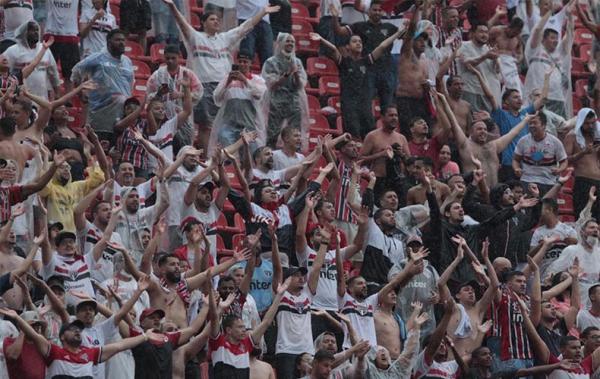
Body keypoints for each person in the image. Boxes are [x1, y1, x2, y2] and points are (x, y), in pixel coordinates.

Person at [165, 0, 280, 154]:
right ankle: (206, 159)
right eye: (212, 19)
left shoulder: (225, 38)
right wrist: (172, 6)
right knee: (206, 125)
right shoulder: (195, 38)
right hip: (203, 86)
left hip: (224, 87)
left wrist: (262, 12)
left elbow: (245, 27)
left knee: (223, 127)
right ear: (203, 22)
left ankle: (223, 160)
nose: (217, 21)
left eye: (218, 19)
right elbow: (182, 23)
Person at [0, 307, 164, 378]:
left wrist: (145, 337)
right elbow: (35, 336)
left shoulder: (90, 354)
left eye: (79, 329)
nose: (78, 331)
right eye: (72, 329)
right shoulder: (54, 352)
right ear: (62, 337)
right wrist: (17, 319)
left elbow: (120, 345)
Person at [311, 26, 402, 138]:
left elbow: (382, 46)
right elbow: (334, 49)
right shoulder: (344, 63)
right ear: (348, 47)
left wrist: (399, 33)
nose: (358, 43)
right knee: (353, 138)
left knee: (369, 136)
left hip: (365, 107)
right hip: (350, 107)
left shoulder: (366, 61)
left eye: (360, 42)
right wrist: (321, 39)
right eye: (354, 41)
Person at [330, 0, 398, 111]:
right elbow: (339, 31)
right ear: (368, 12)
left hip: (386, 71)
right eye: (374, 10)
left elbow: (408, 37)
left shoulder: (390, 27)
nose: (377, 12)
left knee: (388, 106)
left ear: (383, 12)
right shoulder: (360, 26)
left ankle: (387, 128)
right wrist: (334, 17)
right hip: (368, 70)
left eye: (379, 10)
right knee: (366, 104)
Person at [71, 29, 134, 143]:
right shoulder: (98, 58)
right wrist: (80, 91)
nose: (122, 43)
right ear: (109, 42)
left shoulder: (128, 62)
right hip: (100, 116)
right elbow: (76, 71)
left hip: (121, 117)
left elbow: (130, 85)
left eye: (123, 40)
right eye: (118, 40)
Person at [146, 44, 203, 151]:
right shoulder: (157, 75)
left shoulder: (188, 74)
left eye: (173, 58)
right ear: (164, 57)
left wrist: (181, 94)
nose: (170, 61)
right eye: (167, 58)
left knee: (184, 149)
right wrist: (159, 94)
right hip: (162, 119)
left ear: (179, 57)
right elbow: (148, 97)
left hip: (183, 118)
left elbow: (199, 92)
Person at [207, 51, 267, 153]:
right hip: (228, 123)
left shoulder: (257, 79)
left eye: (245, 62)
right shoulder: (228, 79)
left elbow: (259, 94)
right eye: (240, 61)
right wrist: (228, 82)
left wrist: (245, 80)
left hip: (249, 124)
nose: (242, 64)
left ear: (250, 63)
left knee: (251, 154)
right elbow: (217, 97)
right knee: (227, 150)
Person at [262, 32, 309, 149]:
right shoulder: (271, 62)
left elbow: (300, 85)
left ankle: (294, 158)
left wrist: (296, 74)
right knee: (273, 133)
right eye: (288, 41)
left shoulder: (297, 62)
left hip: (294, 102)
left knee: (294, 133)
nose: (290, 44)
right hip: (276, 102)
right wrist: (288, 74)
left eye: (292, 41)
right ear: (281, 43)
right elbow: (271, 84)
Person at [524, 8, 574, 118]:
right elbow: (537, 30)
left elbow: (570, 36)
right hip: (540, 96)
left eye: (557, 38)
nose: (555, 41)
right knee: (540, 124)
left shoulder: (559, 52)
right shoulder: (535, 50)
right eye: (552, 38)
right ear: (543, 39)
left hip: (558, 97)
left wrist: (570, 18)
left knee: (560, 129)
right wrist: (549, 11)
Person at [395, 4, 434, 132]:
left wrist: (426, 86)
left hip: (421, 102)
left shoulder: (424, 60)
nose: (423, 43)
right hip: (405, 100)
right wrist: (417, 9)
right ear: (413, 42)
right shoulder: (407, 53)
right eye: (420, 40)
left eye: (425, 40)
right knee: (409, 132)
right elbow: (411, 31)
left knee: (425, 132)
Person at [512, 112, 568, 194]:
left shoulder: (555, 142)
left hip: (548, 182)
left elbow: (564, 161)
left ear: (544, 125)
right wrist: (516, 168)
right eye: (530, 123)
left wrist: (559, 169)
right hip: (527, 180)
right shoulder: (523, 141)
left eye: (534, 123)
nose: (531, 126)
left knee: (547, 206)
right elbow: (515, 159)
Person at [4, 21, 60, 100]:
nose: (35, 32)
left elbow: (53, 73)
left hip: (42, 98)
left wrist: (57, 93)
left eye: (37, 30)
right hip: (21, 99)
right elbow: (3, 71)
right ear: (24, 32)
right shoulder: (13, 50)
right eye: (32, 30)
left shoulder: (45, 48)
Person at [457, 21, 501, 113]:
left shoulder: (488, 49)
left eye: (486, 32)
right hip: (469, 89)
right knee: (470, 119)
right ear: (472, 33)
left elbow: (497, 71)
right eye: (481, 32)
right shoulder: (464, 45)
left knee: (485, 122)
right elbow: (467, 63)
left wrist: (496, 58)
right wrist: (485, 56)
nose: (484, 35)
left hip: (485, 91)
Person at [564, 108, 600, 217]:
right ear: (581, 122)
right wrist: (583, 153)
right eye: (586, 123)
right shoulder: (572, 136)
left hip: (598, 181)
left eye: (592, 123)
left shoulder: (596, 136)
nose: (590, 126)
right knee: (582, 218)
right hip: (583, 181)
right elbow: (564, 160)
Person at [530, 198, 578, 277]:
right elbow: (530, 255)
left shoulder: (568, 230)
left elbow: (576, 255)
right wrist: (543, 245)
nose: (538, 213)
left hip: (563, 276)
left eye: (540, 210)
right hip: (543, 276)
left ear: (549, 209)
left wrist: (568, 242)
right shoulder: (538, 232)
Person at [489, 17, 525, 94]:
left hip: (510, 66)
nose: (515, 35)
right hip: (496, 62)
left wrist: (519, 58)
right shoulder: (497, 30)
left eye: (518, 33)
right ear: (510, 27)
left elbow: (520, 53)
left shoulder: (518, 37)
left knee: (516, 88)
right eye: (514, 32)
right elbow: (484, 39)